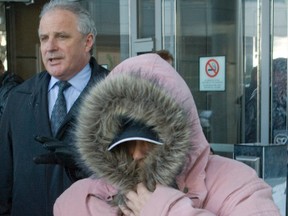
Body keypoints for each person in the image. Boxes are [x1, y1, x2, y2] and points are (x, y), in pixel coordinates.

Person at [53, 54, 280, 215]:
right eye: (126, 142)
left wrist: (165, 210)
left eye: (151, 140)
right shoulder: (80, 201)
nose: (137, 154)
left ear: (178, 135)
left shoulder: (238, 185)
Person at [0, 0, 109, 215]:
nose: (50, 47)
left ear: (87, 42)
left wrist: (84, 165)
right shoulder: (18, 98)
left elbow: (137, 176)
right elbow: (4, 177)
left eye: (62, 36)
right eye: (44, 38)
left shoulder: (118, 97)